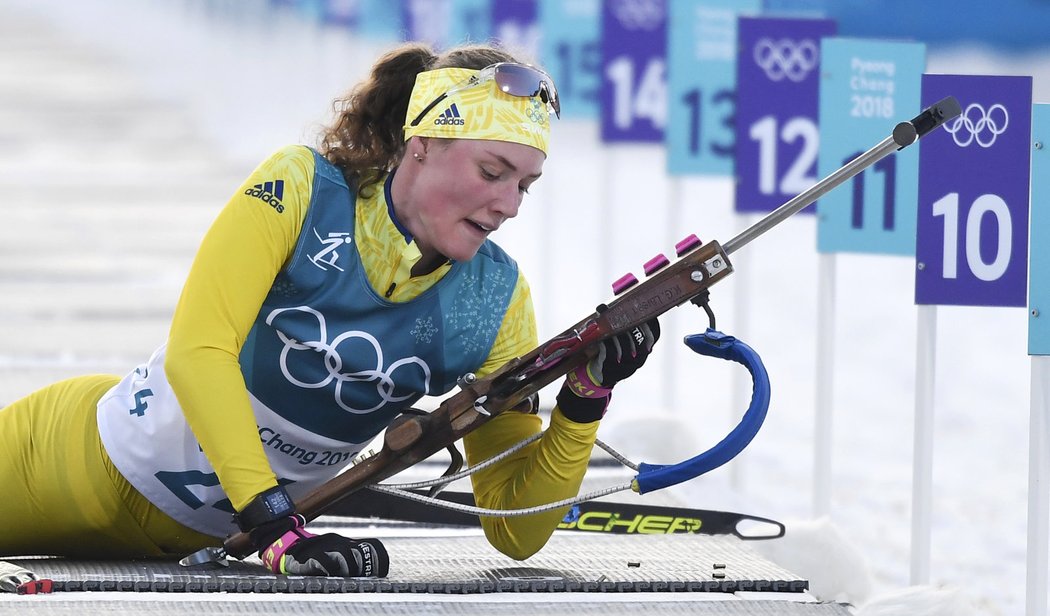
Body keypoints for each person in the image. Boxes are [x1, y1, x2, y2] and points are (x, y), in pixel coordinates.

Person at [0, 42, 659, 578]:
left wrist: (584, 399)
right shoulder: (300, 188)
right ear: (421, 142)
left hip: (199, 540)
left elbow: (515, 530)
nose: (511, 204)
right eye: (493, 172)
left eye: (525, 184)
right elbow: (197, 350)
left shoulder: (495, 298)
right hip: (71, 464)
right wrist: (270, 520)